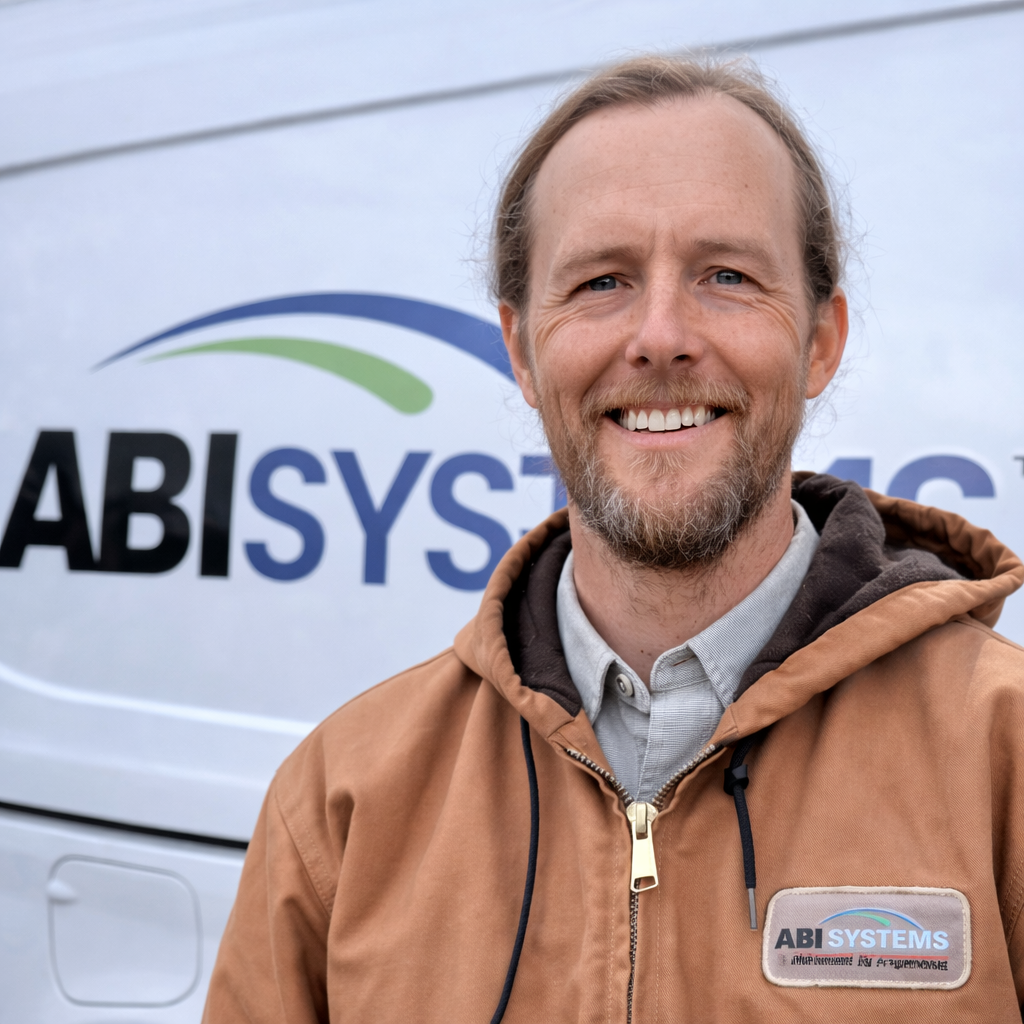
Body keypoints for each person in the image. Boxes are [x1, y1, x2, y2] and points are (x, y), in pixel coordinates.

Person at [203, 56, 1024, 1023]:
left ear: (819, 341)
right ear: (519, 348)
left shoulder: (1002, 755)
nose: (662, 335)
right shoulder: (343, 799)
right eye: (601, 281)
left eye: (727, 275)